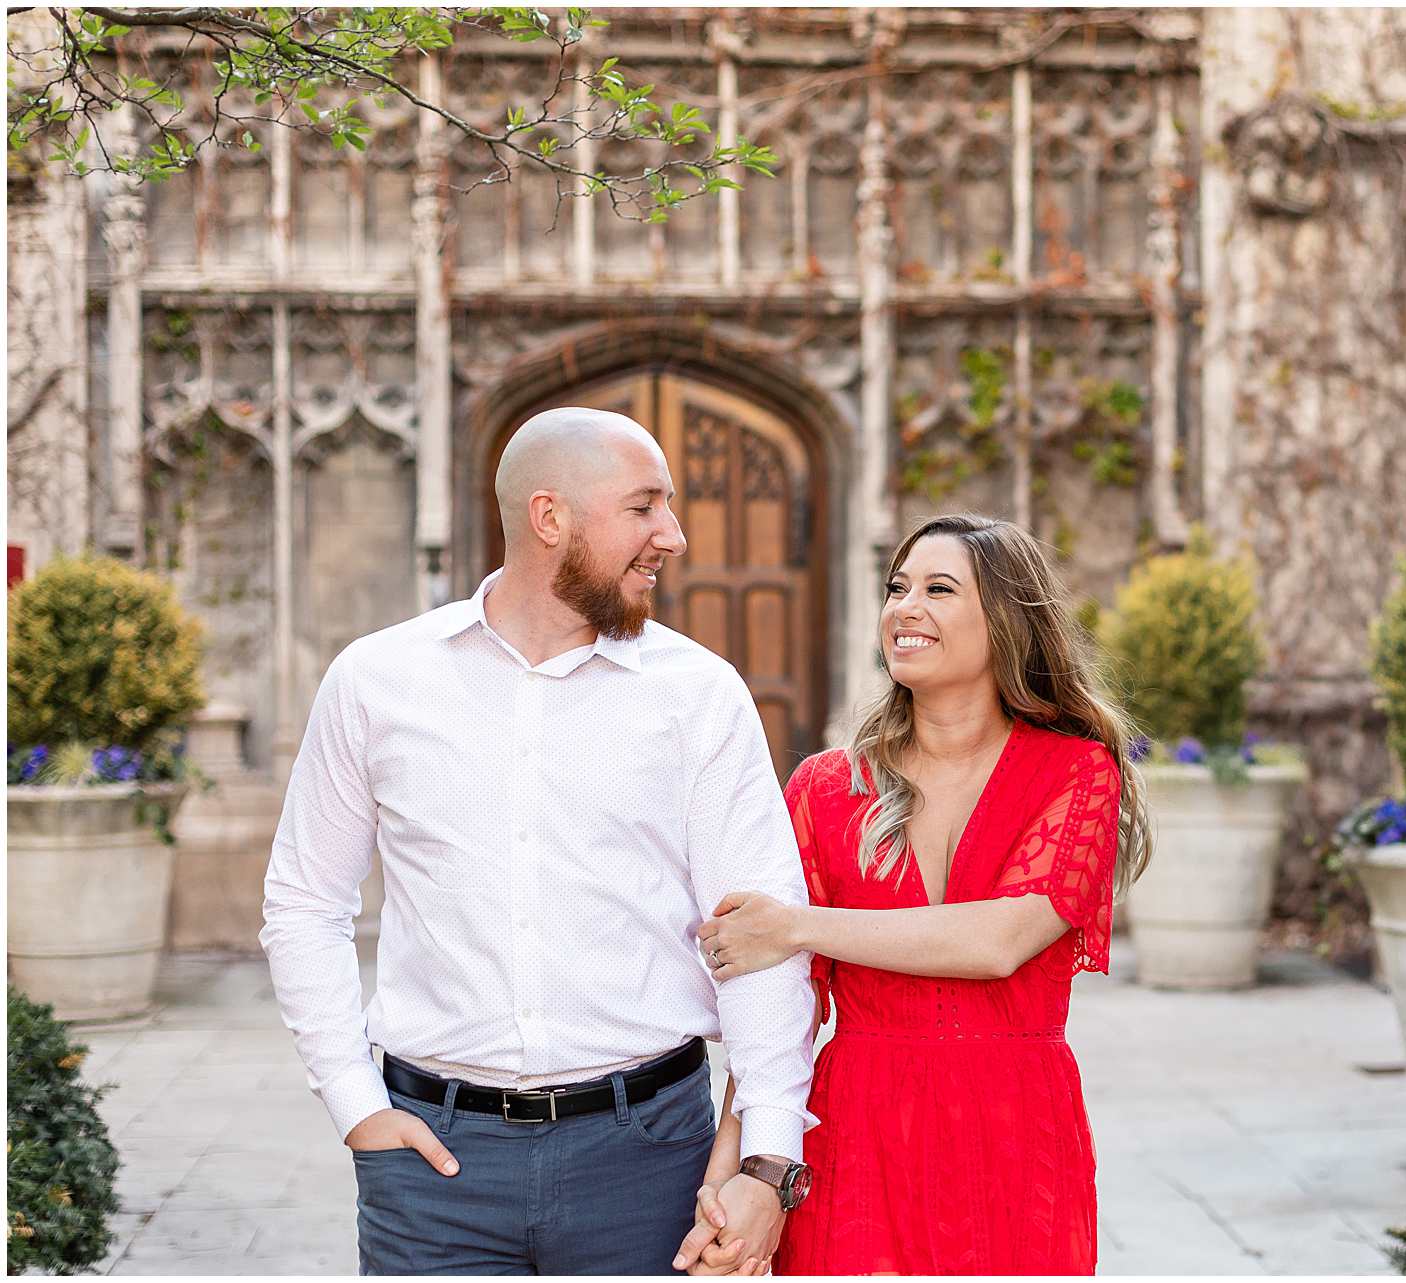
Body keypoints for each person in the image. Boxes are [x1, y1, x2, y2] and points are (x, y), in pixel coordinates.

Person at [260, 407, 817, 1275]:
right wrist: (353, 1102)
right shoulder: (378, 680)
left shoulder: (699, 695)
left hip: (652, 1161)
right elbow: (304, 900)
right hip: (433, 1170)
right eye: (645, 507)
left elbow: (761, 931)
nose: (671, 535)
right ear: (548, 517)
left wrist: (768, 1160)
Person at [675, 513, 1154, 1276]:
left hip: (1015, 1132)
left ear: (1005, 619)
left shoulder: (1076, 772)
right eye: (897, 587)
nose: (905, 607)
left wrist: (799, 925)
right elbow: (781, 1007)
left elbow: (1001, 942)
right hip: (857, 1131)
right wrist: (734, 1173)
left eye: (938, 588)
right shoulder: (828, 787)